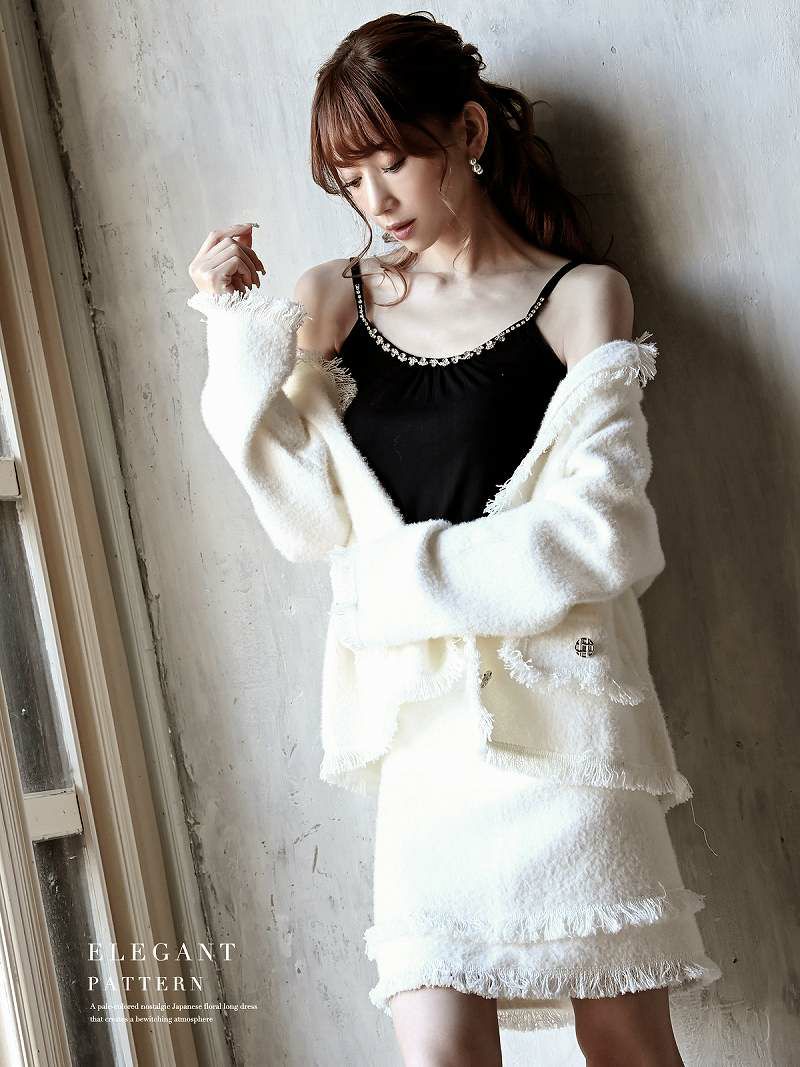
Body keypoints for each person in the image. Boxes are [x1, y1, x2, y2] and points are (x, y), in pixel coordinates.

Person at [187, 11, 721, 1065]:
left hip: (568, 737)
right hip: (426, 744)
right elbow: (303, 517)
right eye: (348, 179)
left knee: (624, 1040)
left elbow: (604, 532)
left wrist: (394, 586)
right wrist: (228, 326)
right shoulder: (332, 301)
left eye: (392, 162)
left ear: (467, 132)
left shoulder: (579, 298)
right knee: (435, 1044)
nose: (373, 201)